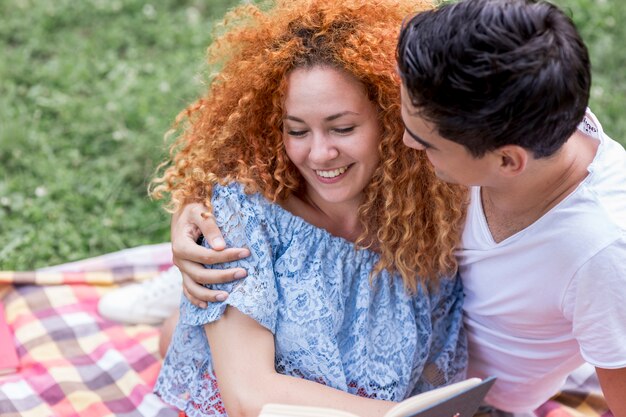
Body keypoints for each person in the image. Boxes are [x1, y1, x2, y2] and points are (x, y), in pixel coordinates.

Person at [173, 0, 626, 416]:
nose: (407, 141)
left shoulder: (601, 252)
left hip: (452, 391)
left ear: (506, 161)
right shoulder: (505, 106)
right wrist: (193, 210)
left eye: (426, 142)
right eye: (403, 118)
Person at [150, 1, 469, 416]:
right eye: (296, 130)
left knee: (178, 332)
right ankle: (180, 312)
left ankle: (176, 315)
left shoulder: (427, 212)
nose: (319, 153)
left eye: (343, 128)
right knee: (189, 338)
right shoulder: (242, 214)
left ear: (391, 119)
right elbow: (249, 398)